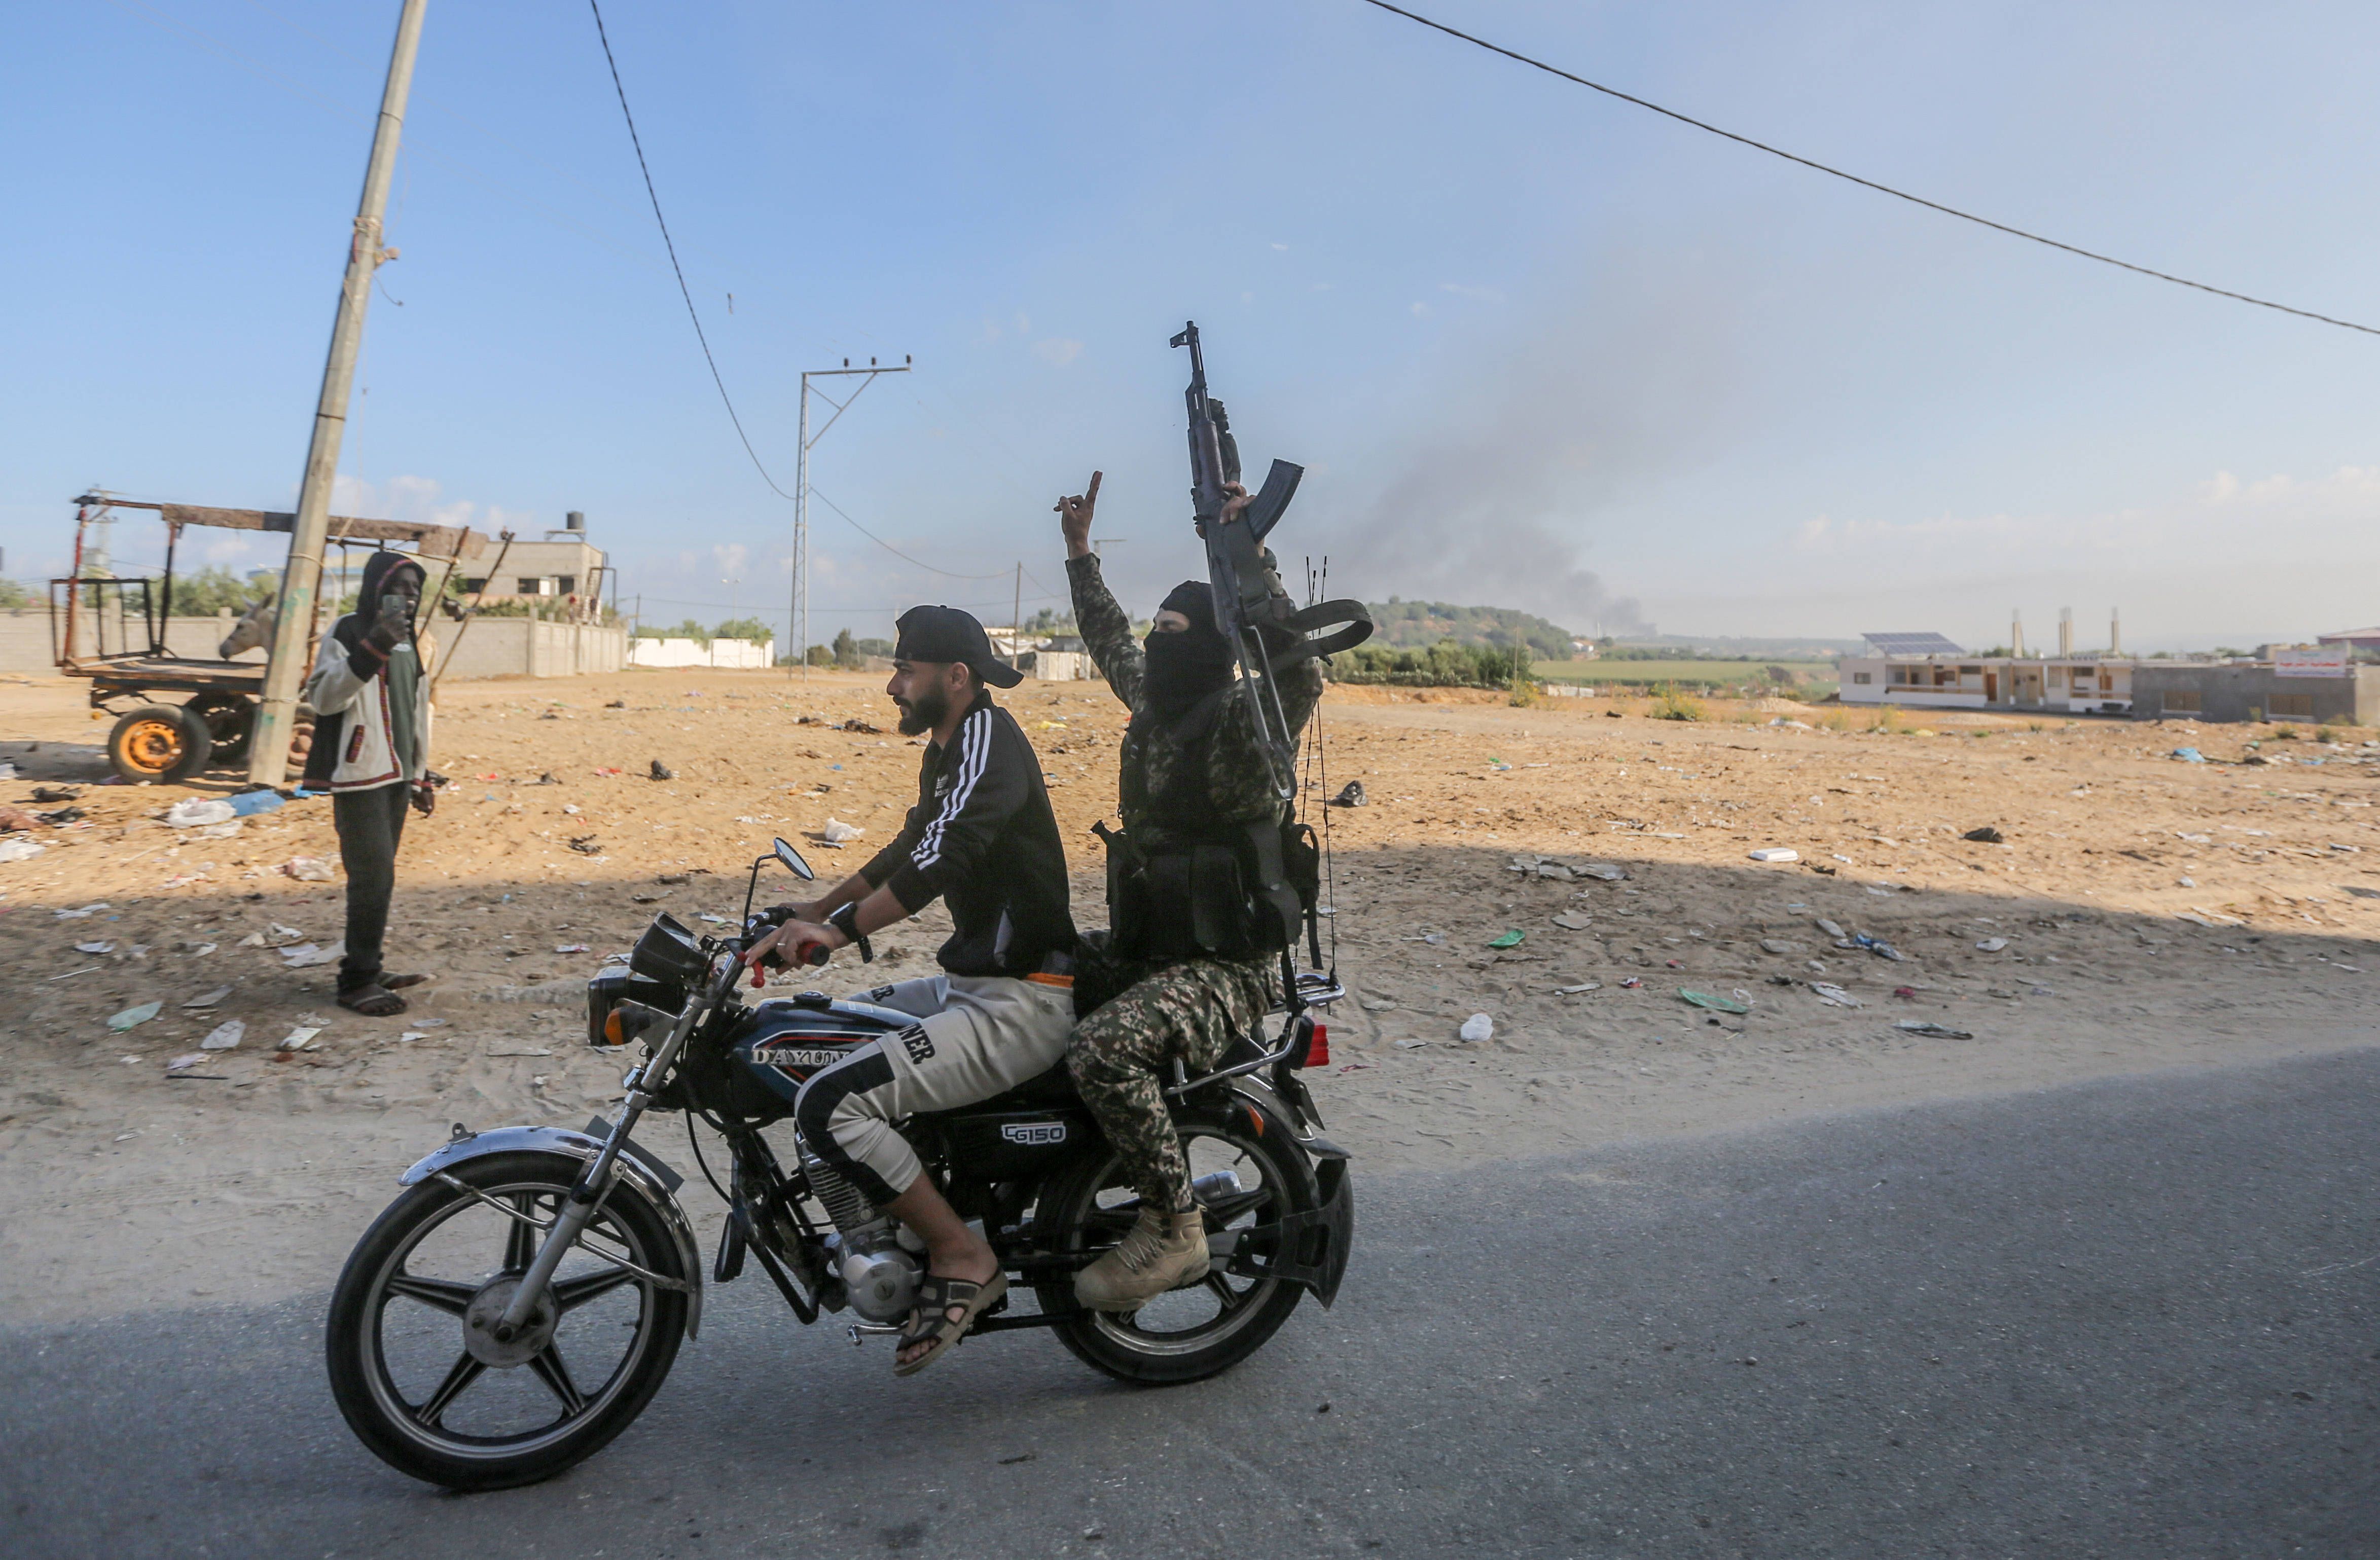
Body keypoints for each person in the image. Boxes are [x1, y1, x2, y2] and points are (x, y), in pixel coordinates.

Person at [743, 605, 1078, 1375]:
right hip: (973, 983)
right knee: (816, 1030)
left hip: (1019, 998)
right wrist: (812, 908)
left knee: (832, 1100)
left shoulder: (989, 739)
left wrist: (838, 933)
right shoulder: (950, 746)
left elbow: (939, 863)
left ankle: (962, 1254)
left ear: (954, 678)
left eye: (906, 671)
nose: (894, 687)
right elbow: (911, 844)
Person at [1055, 470, 1326, 1310]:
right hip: (1153, 950)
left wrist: (1249, 554)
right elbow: (1109, 640)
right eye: (1157, 628)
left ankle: (1173, 1227)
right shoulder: (1151, 701)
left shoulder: (1248, 727)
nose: (1156, 641)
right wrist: (1078, 553)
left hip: (1225, 968)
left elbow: (1295, 671)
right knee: (1028, 981)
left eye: (1172, 630)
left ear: (1210, 645)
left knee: (1100, 1051)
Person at [300, 550, 439, 1019]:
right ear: (376, 589)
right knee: (372, 878)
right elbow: (321, 698)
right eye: (398, 588)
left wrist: (421, 774)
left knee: (380, 880)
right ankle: (355, 981)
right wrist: (371, 648)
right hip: (360, 775)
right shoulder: (347, 631)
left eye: (414, 590)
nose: (408, 598)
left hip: (398, 775)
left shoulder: (413, 641)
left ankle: (369, 965)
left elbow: (418, 709)